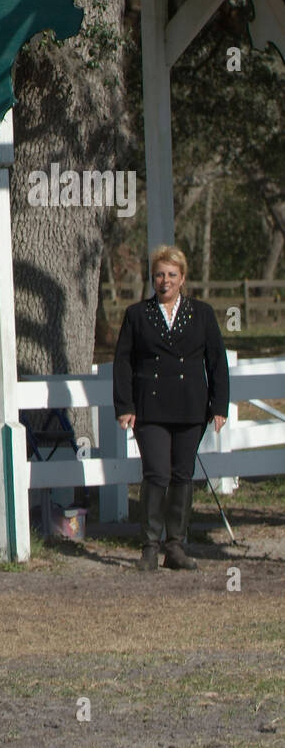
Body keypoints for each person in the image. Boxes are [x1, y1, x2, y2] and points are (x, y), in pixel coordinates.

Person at [114, 244, 229, 571]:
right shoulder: (136, 315)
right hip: (149, 409)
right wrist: (125, 405)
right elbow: (123, 363)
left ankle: (175, 546)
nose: (165, 280)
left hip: (191, 407)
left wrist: (219, 404)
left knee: (183, 475)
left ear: (182, 278)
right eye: (159, 275)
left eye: (171, 275)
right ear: (153, 279)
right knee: (156, 474)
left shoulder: (202, 313)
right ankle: (149, 547)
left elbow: (217, 361)